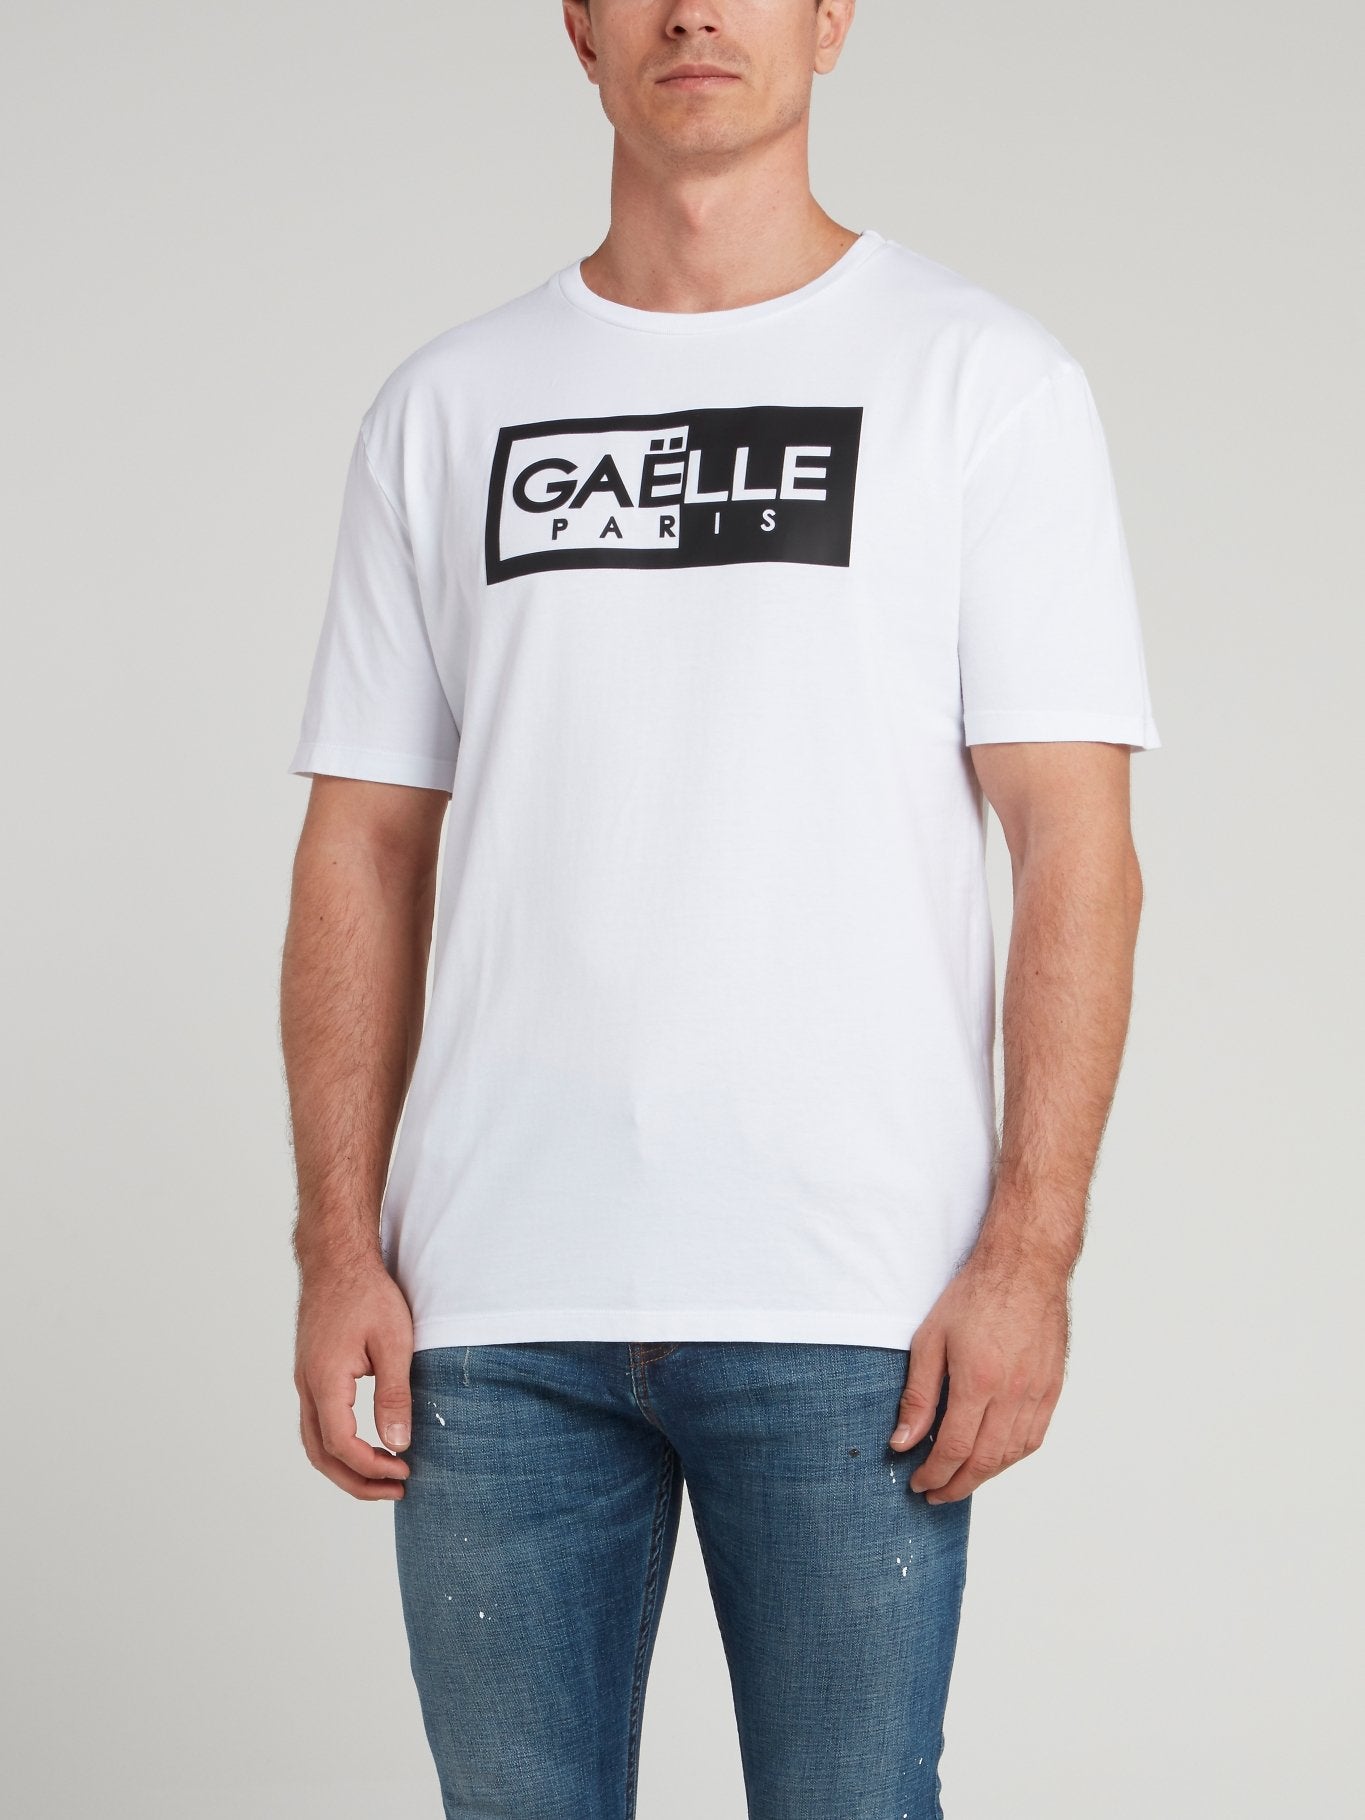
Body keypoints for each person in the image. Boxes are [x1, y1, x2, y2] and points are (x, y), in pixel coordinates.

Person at [279, 2, 1161, 1815]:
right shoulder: (448, 405)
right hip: (489, 1303)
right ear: (578, 29)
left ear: (829, 21)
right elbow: (361, 840)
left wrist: (1028, 1257)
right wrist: (335, 1247)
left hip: (852, 1295)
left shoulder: (977, 380)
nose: (694, 11)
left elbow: (1072, 841)